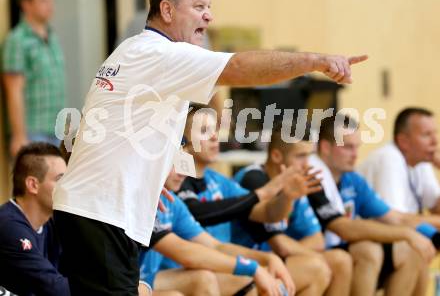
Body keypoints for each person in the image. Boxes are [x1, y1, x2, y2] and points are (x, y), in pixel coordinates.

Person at [52, 0, 367, 294]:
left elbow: (93, 134)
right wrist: (315, 61)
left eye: (210, 7)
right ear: (167, 10)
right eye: (199, 6)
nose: (210, 16)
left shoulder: (133, 52)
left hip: (94, 209)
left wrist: (145, 175)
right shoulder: (161, 53)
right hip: (101, 213)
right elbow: (240, 68)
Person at [176, 106, 328, 295]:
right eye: (204, 131)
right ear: (181, 141)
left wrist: (287, 196)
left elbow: (266, 213)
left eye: (215, 130)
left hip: (221, 266)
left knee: (315, 268)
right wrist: (264, 192)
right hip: (189, 274)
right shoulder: (174, 183)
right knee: (256, 280)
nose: (215, 137)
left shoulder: (220, 181)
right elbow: (197, 211)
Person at [311, 116, 437, 296]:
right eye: (347, 147)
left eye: (357, 147)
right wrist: (407, 234)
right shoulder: (312, 177)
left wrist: (427, 235)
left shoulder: (352, 180)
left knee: (413, 249)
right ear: (325, 147)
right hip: (309, 254)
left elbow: (397, 218)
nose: (355, 154)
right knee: (368, 251)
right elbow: (343, 228)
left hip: (338, 252)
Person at [234, 123, 352, 296]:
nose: (307, 164)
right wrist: (312, 257)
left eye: (309, 156)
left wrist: (304, 252)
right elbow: (281, 245)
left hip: (274, 261)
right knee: (318, 268)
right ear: (276, 156)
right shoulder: (253, 180)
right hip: (247, 263)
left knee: (341, 260)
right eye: (300, 156)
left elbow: (317, 240)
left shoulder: (295, 179)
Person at [140, 168, 293, 296]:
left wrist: (267, 259)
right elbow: (186, 253)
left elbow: (215, 246)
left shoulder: (172, 201)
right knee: (197, 282)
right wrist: (253, 267)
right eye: (173, 162)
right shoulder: (138, 199)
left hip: (146, 279)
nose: (183, 172)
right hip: (129, 283)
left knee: (254, 282)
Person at [2, 0, 65, 156]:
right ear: (26, 4)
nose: (50, 6)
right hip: (32, 132)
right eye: (43, 0)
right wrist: (19, 135)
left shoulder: (52, 37)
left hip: (56, 129)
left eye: (52, 0)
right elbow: (13, 90)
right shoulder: (17, 40)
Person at [0, 142, 69, 295]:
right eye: (60, 179)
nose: (67, 186)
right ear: (33, 185)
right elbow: (56, 289)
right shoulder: (8, 226)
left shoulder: (51, 223)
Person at [358, 108, 440, 220]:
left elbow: (436, 208)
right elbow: (396, 222)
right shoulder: (389, 158)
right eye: (426, 135)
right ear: (403, 141)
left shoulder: (421, 160)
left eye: (435, 133)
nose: (435, 141)